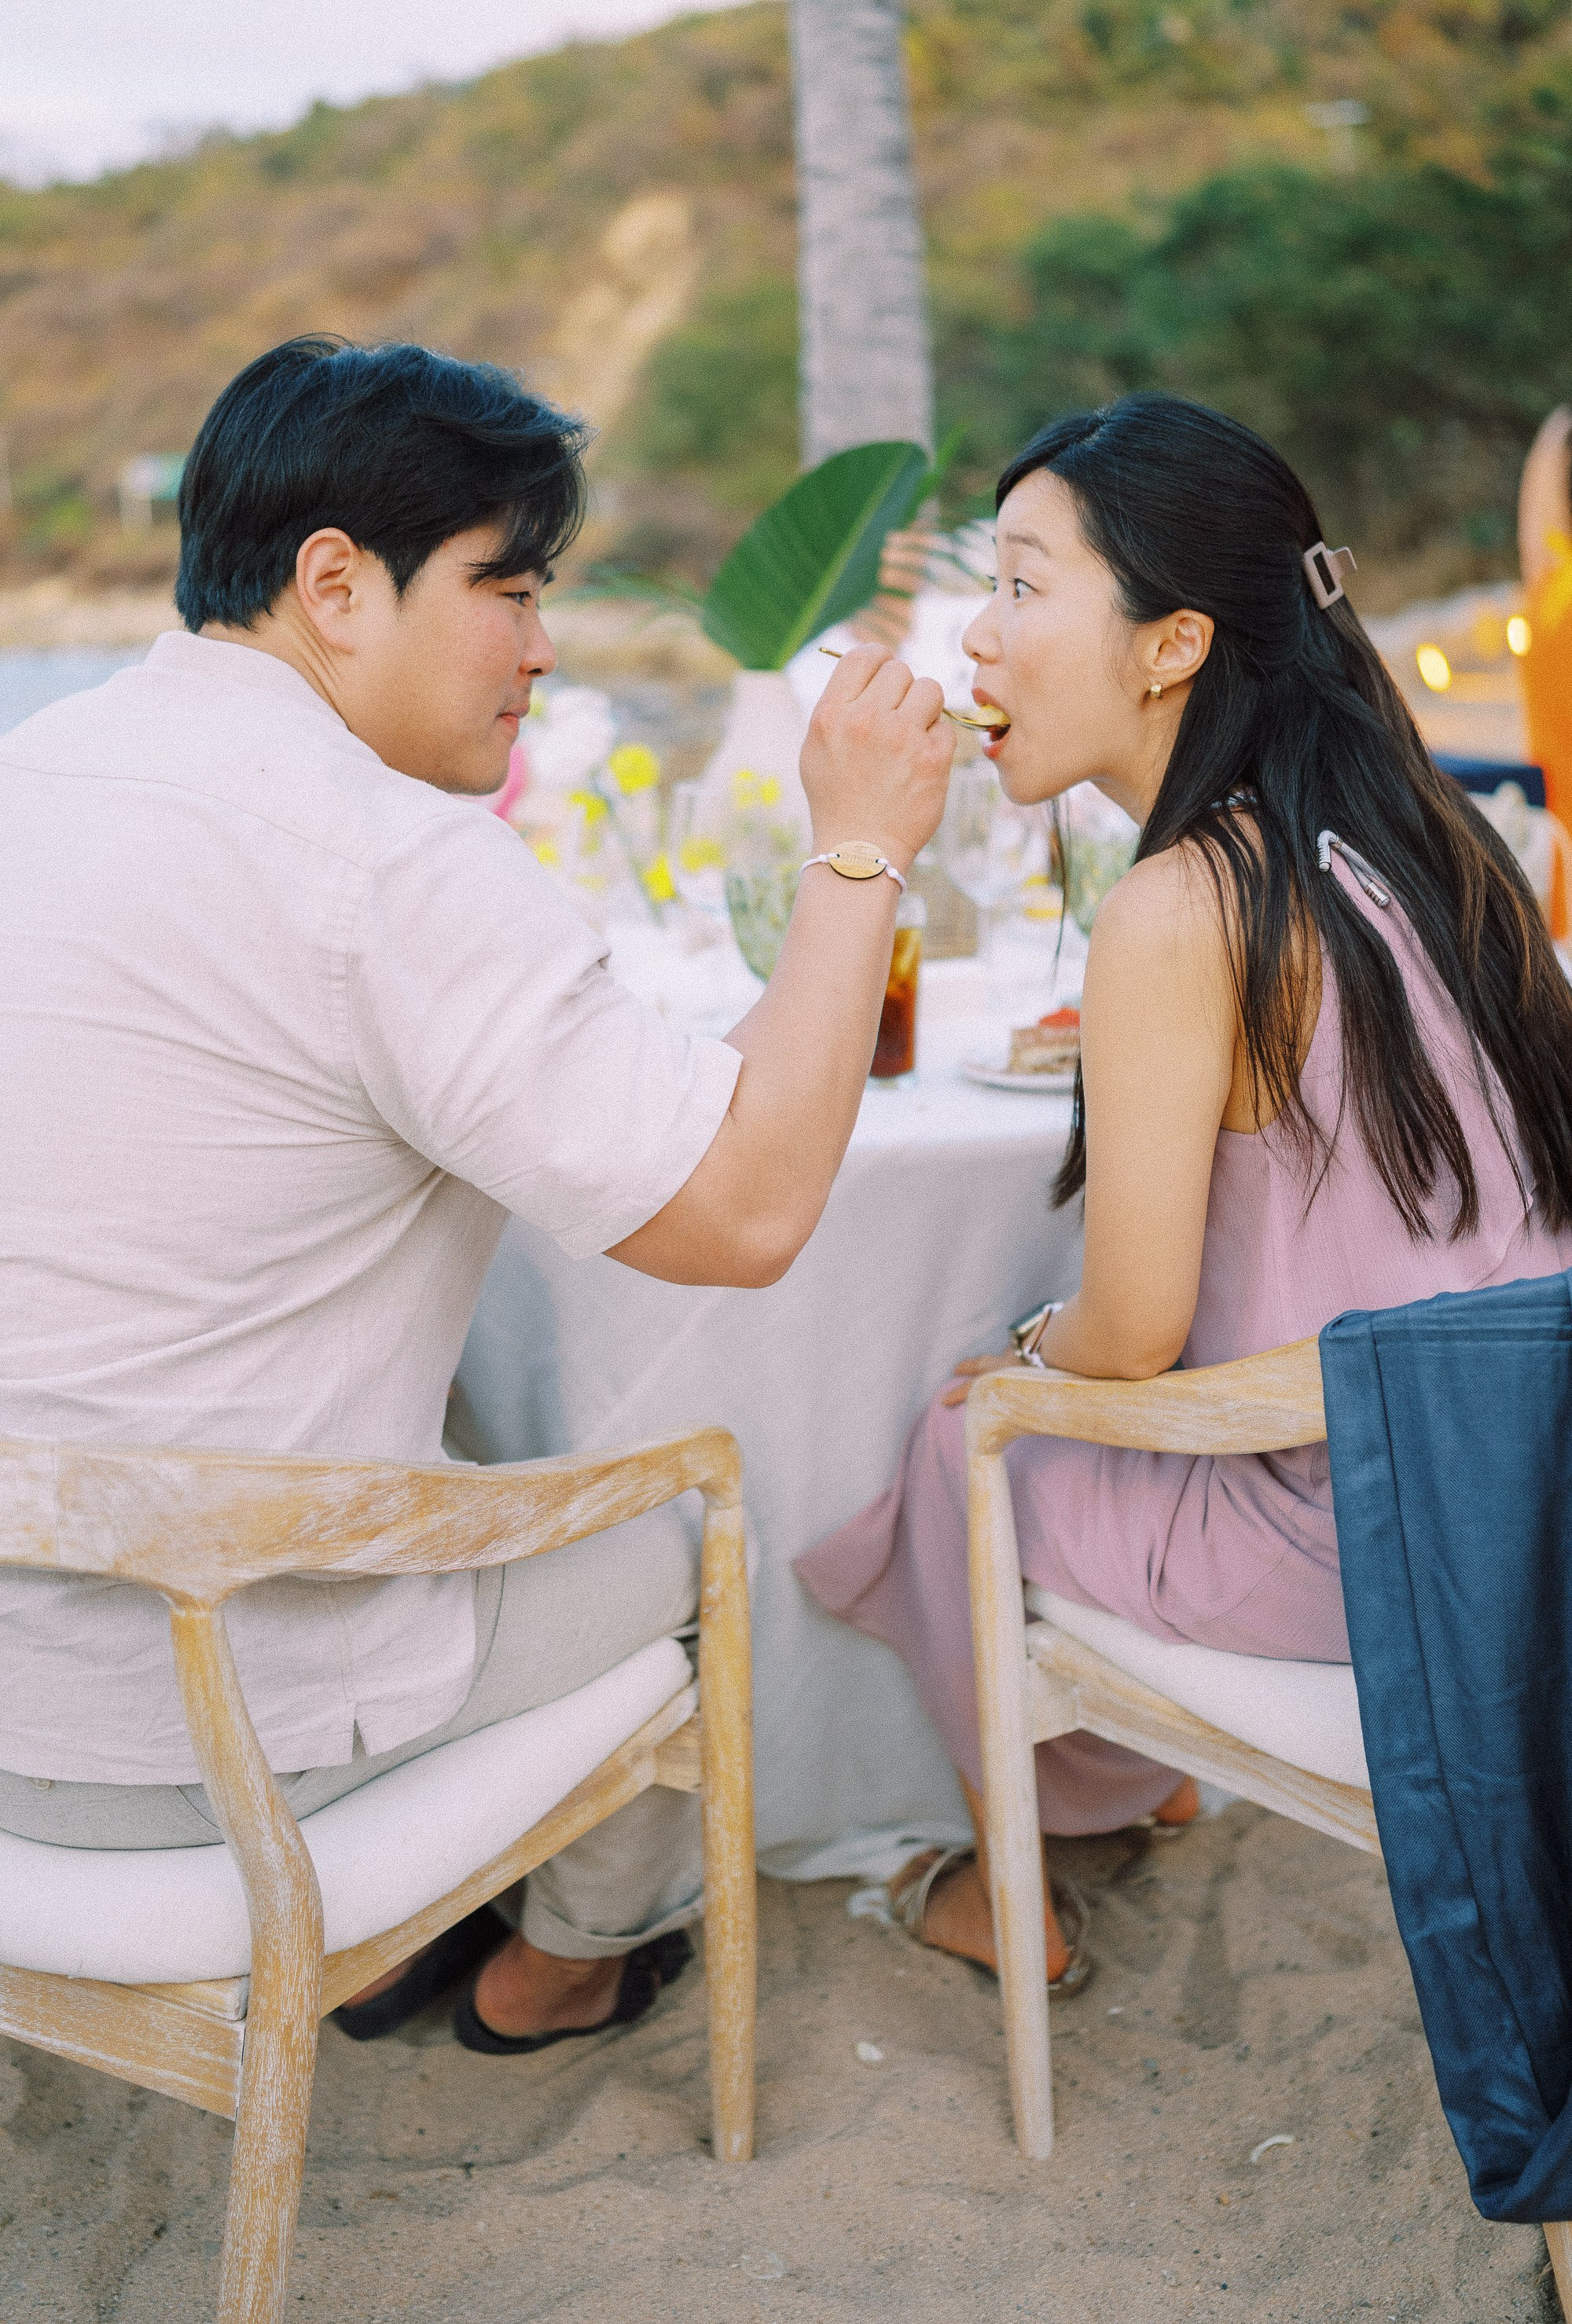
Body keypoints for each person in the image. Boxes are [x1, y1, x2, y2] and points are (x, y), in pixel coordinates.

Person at [0, 334, 952, 2052]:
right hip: (196, 1736)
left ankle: (443, 1923)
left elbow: (667, 1120)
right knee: (687, 1529)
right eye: (506, 587)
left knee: (465, 1430)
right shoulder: (382, 856)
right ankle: (565, 1962)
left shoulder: (36, 775)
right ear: (335, 585)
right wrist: (858, 844)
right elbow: (741, 1220)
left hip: (14, 1674)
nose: (542, 642)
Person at [798, 391, 1572, 1991]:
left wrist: (1018, 1357)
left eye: (1019, 586)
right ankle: (1119, 1788)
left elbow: (1137, 1332)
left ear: (1170, 645)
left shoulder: (1179, 903)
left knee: (954, 1435)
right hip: (1522, 1488)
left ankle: (1023, 1871)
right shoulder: (1424, 842)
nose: (975, 644)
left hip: (1370, 1533)